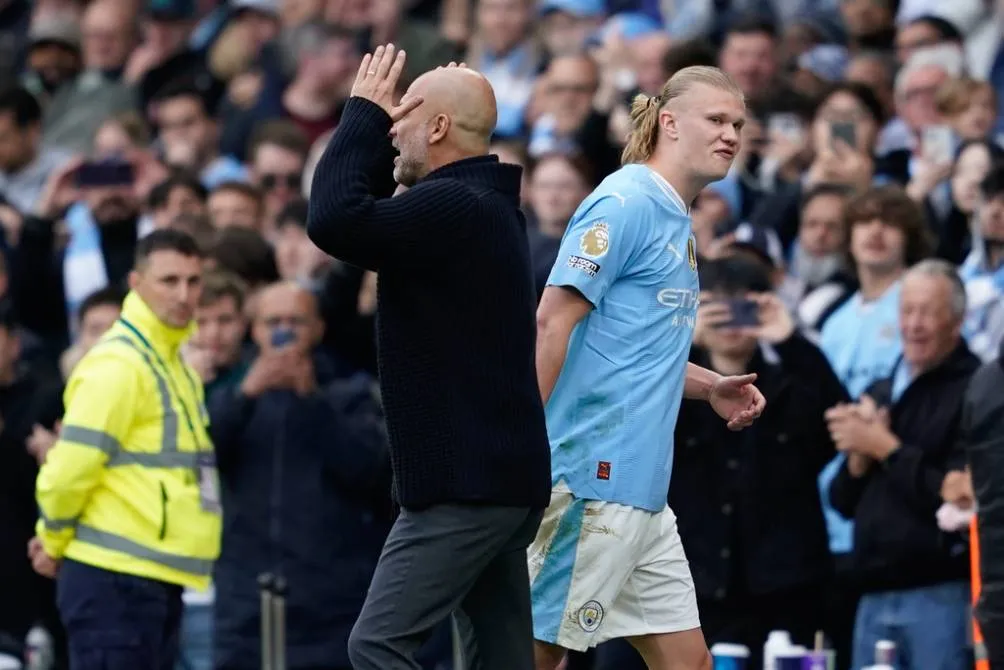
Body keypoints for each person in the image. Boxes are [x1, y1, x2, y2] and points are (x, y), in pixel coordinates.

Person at [305, 46, 551, 670]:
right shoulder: (478, 206)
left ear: (438, 127)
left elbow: (334, 218)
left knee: (377, 645)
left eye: (400, 118)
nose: (390, 133)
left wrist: (359, 112)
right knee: (499, 661)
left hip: (464, 486)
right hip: (494, 480)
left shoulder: (458, 205)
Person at [531, 65, 767, 670]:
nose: (731, 135)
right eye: (716, 120)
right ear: (669, 122)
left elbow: (635, 349)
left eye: (737, 123)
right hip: (592, 479)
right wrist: (522, 443)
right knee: (536, 654)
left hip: (642, 494)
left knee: (691, 664)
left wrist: (710, 384)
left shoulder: (676, 217)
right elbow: (553, 321)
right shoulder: (626, 201)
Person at [30, 229, 222, 670]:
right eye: (169, 280)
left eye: (193, 282)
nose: (184, 294)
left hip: (149, 577)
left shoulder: (170, 363)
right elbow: (69, 469)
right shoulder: (119, 364)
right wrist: (52, 541)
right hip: (114, 579)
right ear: (136, 285)